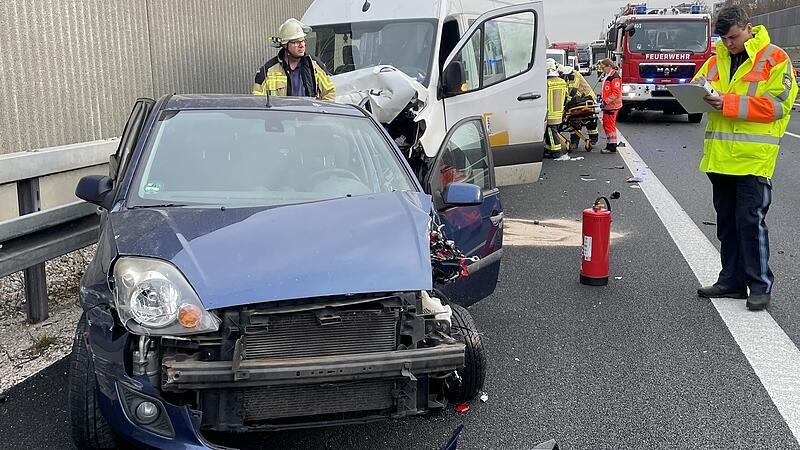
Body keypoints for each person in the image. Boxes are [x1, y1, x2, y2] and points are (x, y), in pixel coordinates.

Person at [693, 6, 797, 310]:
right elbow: (699, 86)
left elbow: (777, 107)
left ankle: (760, 285)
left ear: (748, 27)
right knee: (726, 223)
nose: (729, 44)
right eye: (724, 39)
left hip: (753, 158)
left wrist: (727, 102)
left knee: (750, 222)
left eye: (733, 37)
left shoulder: (775, 58)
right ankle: (732, 281)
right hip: (720, 157)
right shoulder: (716, 60)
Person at [252, 18, 336, 101]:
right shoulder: (268, 71)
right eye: (296, 42)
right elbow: (258, 101)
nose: (302, 45)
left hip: (309, 114)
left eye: (303, 40)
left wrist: (318, 112)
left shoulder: (314, 66)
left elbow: (330, 93)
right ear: (285, 45)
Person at [560, 64, 599, 148]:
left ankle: (593, 139)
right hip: (577, 101)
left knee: (589, 120)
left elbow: (573, 90)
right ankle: (575, 141)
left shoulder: (576, 75)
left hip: (586, 99)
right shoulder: (567, 77)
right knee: (573, 120)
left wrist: (566, 102)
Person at [598, 58, 622, 153]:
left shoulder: (614, 77)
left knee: (609, 126)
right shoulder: (609, 76)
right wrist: (600, 95)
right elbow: (607, 90)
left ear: (609, 66)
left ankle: (611, 146)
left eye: (603, 68)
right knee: (607, 125)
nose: (602, 70)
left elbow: (615, 93)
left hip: (612, 106)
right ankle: (610, 144)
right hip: (609, 106)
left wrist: (606, 101)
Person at [544, 60, 567, 159]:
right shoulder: (562, 82)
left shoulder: (547, 83)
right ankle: (549, 149)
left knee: (551, 133)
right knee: (552, 133)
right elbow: (566, 96)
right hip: (559, 112)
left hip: (550, 113)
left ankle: (556, 152)